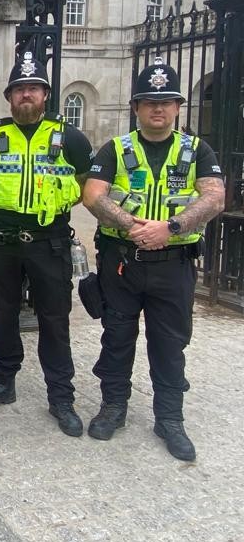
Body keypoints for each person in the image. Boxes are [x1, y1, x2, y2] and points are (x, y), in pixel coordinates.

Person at [82, 57, 224, 461]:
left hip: (174, 264)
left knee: (169, 343)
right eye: (149, 102)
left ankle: (170, 418)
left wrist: (170, 228)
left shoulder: (197, 149)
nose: (157, 109)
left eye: (165, 102)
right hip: (123, 262)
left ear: (178, 107)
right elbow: (93, 194)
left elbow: (215, 197)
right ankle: (113, 407)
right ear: (136, 108)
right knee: (117, 337)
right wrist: (133, 227)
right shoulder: (116, 148)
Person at [0, 51, 93, 436]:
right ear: (9, 96)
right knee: (2, 314)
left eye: (33, 89)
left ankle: (61, 397)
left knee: (54, 320)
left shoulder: (69, 138)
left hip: (49, 241)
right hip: (2, 241)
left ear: (45, 95)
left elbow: (87, 187)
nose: (26, 95)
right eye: (19, 89)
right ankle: (4, 382)